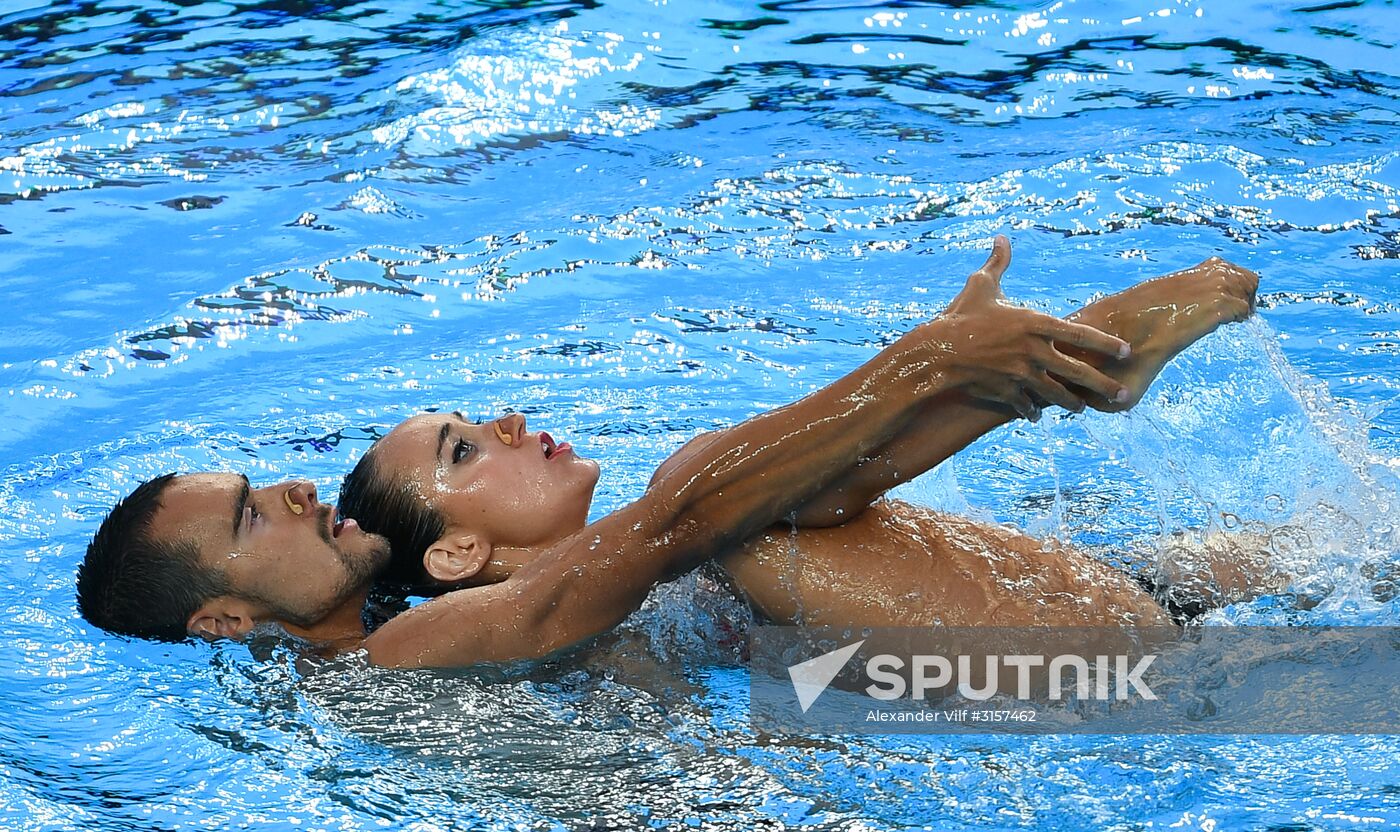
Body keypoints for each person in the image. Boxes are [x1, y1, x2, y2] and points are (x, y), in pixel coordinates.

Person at [79, 236, 1146, 666]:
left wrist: (980, 382)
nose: (293, 487)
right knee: (719, 508)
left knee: (739, 514)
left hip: (820, 730)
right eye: (249, 513)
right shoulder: (382, 669)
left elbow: (759, 503)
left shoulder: (447, 615)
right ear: (221, 617)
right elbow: (681, 523)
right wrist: (917, 365)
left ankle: (1071, 386)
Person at [339, 239, 1264, 635]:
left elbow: (829, 483)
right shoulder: (556, 631)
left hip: (1130, 584)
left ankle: (1052, 368)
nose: (504, 423)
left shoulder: (659, 566)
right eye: (462, 451)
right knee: (720, 506)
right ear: (458, 554)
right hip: (1110, 666)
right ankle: (1058, 365)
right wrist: (935, 365)